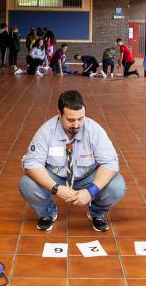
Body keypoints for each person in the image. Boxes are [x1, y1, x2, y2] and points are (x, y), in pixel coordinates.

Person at [20, 90, 126, 231]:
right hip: (57, 177)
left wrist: (90, 191)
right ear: (60, 115)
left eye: (80, 119)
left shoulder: (94, 130)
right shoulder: (46, 131)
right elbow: (31, 164)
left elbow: (110, 163)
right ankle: (47, 212)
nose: (76, 124)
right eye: (70, 120)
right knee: (27, 184)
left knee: (117, 186)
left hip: (87, 176)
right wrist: (55, 188)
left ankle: (96, 212)